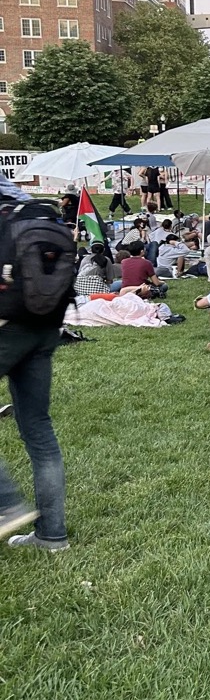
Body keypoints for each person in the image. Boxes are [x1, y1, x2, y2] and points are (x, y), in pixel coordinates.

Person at [0, 172, 70, 552]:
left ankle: (6, 504)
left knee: (39, 430)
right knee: (39, 430)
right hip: (46, 325)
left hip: (7, 325)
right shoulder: (32, 207)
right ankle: (52, 535)